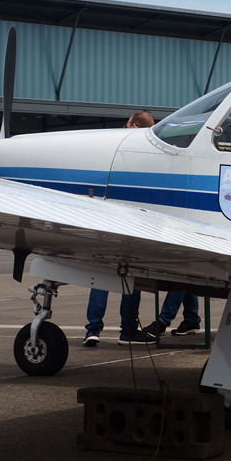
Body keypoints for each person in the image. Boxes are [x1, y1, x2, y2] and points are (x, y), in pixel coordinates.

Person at [84, 111, 155, 345]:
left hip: (110, 222)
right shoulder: (151, 155)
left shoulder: (117, 149)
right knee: (131, 281)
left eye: (126, 126)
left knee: (101, 278)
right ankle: (127, 331)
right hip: (135, 226)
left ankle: (93, 329)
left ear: (133, 127)